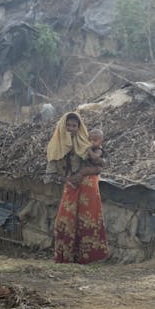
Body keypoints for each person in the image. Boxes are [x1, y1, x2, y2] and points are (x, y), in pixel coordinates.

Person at [46, 112, 109, 264]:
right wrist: (68, 179)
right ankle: (65, 257)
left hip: (87, 185)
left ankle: (89, 258)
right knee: (65, 219)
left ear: (79, 127)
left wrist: (81, 173)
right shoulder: (55, 146)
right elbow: (51, 174)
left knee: (88, 218)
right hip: (70, 185)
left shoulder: (85, 144)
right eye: (68, 125)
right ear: (62, 126)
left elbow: (100, 166)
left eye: (74, 126)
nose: (71, 128)